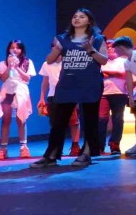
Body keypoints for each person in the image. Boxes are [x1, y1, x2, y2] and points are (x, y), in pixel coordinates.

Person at [31, 9, 108, 169]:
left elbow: (104, 61)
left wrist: (91, 49)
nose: (77, 19)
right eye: (74, 16)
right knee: (58, 121)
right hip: (67, 84)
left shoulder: (97, 38)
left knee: (90, 121)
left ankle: (86, 153)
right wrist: (57, 50)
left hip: (90, 83)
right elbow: (49, 60)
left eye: (81, 17)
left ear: (89, 21)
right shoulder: (61, 38)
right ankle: (51, 156)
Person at [0, 40, 36, 160]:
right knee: (5, 119)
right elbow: (3, 78)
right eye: (12, 47)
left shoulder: (28, 62)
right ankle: (3, 149)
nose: (15, 50)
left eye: (17, 47)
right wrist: (10, 66)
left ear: (22, 50)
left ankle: (23, 147)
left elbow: (27, 78)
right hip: (7, 91)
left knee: (21, 119)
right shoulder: (3, 63)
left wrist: (17, 67)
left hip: (21, 90)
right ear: (8, 49)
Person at [38, 56, 81, 156]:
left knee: (74, 121)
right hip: (53, 95)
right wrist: (42, 97)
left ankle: (75, 145)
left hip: (69, 95)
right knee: (55, 123)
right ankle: (56, 148)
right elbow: (45, 81)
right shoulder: (46, 64)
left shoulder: (70, 62)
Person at [99, 40, 128, 155]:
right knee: (101, 119)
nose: (110, 49)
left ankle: (114, 143)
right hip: (103, 93)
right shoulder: (102, 61)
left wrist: (108, 73)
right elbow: (100, 74)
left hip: (119, 93)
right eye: (107, 47)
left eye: (112, 47)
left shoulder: (123, 61)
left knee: (118, 119)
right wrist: (115, 73)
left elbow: (123, 74)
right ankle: (99, 145)